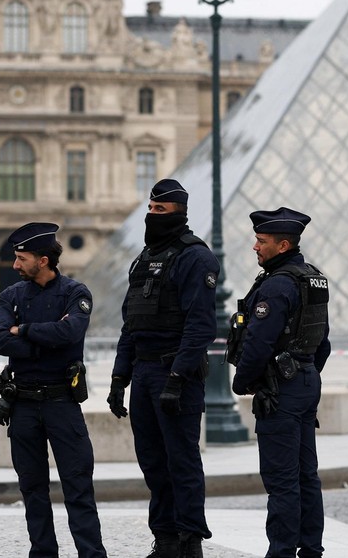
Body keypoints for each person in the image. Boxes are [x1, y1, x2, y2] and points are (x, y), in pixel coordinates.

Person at [108, 179, 218, 558]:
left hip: (176, 374)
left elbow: (201, 326)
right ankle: (165, 538)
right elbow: (131, 323)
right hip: (144, 373)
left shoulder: (195, 257)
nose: (152, 216)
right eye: (150, 210)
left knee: (182, 462)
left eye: (160, 211)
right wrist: (119, 377)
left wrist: (177, 377)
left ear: (179, 214)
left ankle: (190, 541)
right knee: (153, 463)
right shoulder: (142, 259)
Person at [0, 223, 106, 558]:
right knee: (32, 489)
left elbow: (70, 332)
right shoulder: (11, 295)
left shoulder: (75, 292)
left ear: (43, 260)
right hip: (23, 404)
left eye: (21, 258)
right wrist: (46, 342)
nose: (15, 265)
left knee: (78, 486)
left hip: (61, 403)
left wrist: (23, 330)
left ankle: (92, 555)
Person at [228, 207, 331, 558]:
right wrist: (304, 371)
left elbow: (258, 343)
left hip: (281, 390)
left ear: (283, 244)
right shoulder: (313, 278)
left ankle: (283, 552)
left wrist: (241, 383)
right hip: (305, 382)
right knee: (306, 476)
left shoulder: (277, 285)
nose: (255, 247)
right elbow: (323, 342)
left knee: (282, 480)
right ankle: (311, 549)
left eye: (261, 241)